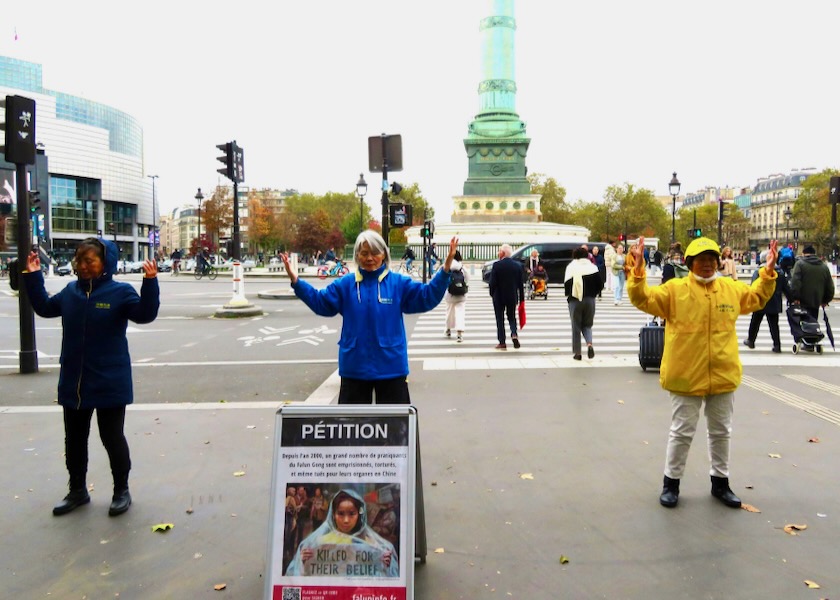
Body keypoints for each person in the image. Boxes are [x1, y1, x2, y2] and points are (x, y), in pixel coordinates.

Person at [627, 236, 778, 509]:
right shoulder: (674, 291)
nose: (707, 265)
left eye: (711, 260)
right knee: (682, 432)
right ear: (690, 264)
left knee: (721, 431)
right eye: (701, 261)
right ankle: (671, 483)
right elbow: (643, 299)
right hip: (685, 374)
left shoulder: (730, 289)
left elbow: (756, 298)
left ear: (718, 262)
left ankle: (721, 482)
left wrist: (767, 273)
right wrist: (637, 270)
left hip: (723, 372)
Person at [21, 237, 160, 517]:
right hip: (75, 380)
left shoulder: (120, 293)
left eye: (89, 261)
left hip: (110, 379)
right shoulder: (71, 292)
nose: (82, 266)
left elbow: (145, 315)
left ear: (105, 263)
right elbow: (45, 308)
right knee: (74, 438)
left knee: (112, 437)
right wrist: (34, 275)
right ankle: (77, 490)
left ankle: (122, 490)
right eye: (79, 260)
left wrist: (150, 282)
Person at [281, 230, 458, 404]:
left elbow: (426, 297)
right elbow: (321, 303)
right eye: (364, 253)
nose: (370, 258)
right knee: (352, 428)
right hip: (354, 368)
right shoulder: (345, 284)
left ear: (384, 255)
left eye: (375, 253)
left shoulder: (398, 283)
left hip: (391, 367)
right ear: (357, 255)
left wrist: (445, 269)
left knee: (396, 429)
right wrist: (297, 282)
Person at [286, 488, 399, 578]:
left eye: (351, 514)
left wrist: (385, 565)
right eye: (341, 513)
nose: (346, 520)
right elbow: (298, 579)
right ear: (333, 515)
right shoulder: (318, 543)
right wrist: (302, 562)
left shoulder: (373, 546)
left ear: (359, 515)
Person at [743, 249, 792, 353]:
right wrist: (792, 299)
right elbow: (786, 288)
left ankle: (751, 340)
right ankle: (777, 345)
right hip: (774, 301)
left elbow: (753, 287)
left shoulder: (759, 272)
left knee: (755, 322)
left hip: (760, 301)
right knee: (774, 325)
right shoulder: (780, 272)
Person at [564, 246, 604, 360]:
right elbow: (600, 285)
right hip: (590, 300)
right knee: (587, 325)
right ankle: (589, 344)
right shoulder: (593, 267)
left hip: (575, 300)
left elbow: (567, 286)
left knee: (576, 326)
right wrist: (593, 294)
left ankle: (578, 353)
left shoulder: (571, 267)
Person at [489, 243, 525, 350]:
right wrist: (521, 298)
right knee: (511, 317)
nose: (498, 253)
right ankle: (514, 333)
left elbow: (492, 283)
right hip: (512, 296)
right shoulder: (517, 266)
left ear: (503, 253)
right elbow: (520, 284)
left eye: (499, 251)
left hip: (499, 296)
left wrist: (492, 293)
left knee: (499, 319)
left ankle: (502, 342)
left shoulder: (497, 265)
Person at [790, 245, 834, 319]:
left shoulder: (800, 264)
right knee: (813, 323)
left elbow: (795, 282)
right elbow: (829, 286)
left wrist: (795, 297)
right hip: (816, 301)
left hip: (802, 302)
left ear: (804, 254)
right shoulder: (823, 266)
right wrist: (825, 300)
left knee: (802, 325)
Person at [444, 250, 468, 342]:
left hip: (450, 293)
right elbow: (467, 278)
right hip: (461, 293)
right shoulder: (461, 267)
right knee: (460, 313)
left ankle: (448, 329)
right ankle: (459, 333)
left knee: (449, 312)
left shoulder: (447, 267)